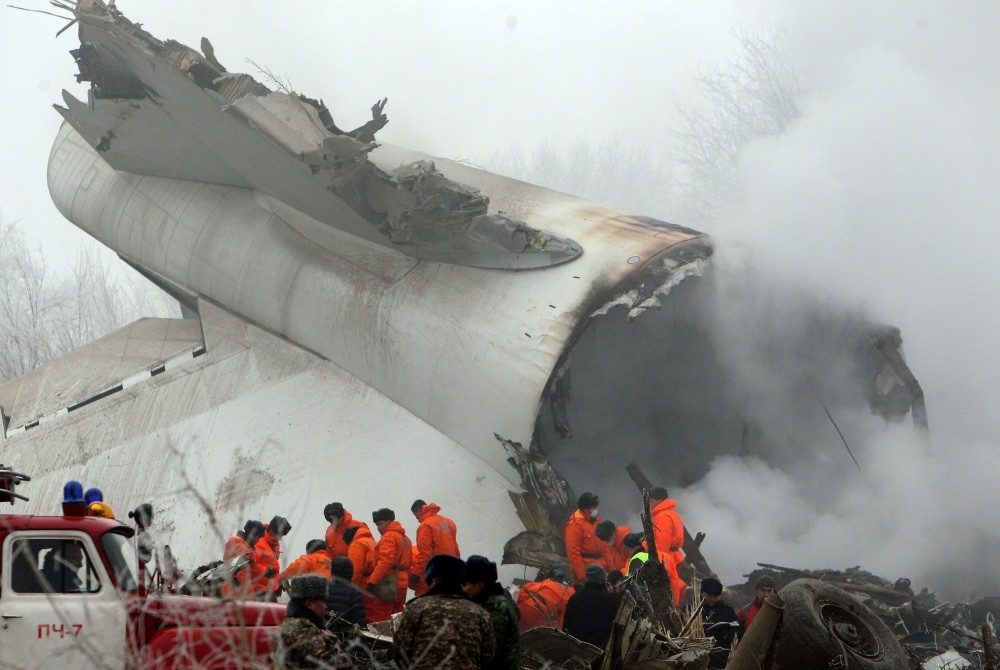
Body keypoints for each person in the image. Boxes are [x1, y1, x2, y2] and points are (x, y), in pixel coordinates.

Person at [393, 555, 495, 670]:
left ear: (433, 581)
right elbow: (489, 658)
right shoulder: (482, 614)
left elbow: (400, 652)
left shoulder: (416, 608)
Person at [275, 574, 347, 668]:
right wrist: (346, 654)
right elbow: (329, 664)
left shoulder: (290, 621)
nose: (325, 606)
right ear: (309, 603)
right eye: (322, 601)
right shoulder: (305, 629)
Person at [462, 555, 520, 670]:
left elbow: (491, 648)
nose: (463, 589)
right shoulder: (482, 601)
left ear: (479, 585)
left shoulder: (496, 606)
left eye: (465, 584)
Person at [366, 508, 412, 621]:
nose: (377, 528)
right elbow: (410, 562)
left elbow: (386, 561)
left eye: (379, 524)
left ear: (388, 521)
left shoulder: (389, 536)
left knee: (381, 618)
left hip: (387, 583)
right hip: (402, 584)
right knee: (397, 618)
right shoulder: (406, 539)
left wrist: (372, 582)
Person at [562, 563, 621, 649]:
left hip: (576, 649)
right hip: (600, 650)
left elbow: (566, 627)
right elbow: (618, 626)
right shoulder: (609, 600)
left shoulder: (575, 598)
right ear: (603, 580)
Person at [410, 499, 461, 596]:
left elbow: (425, 553)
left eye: (415, 514)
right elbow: (455, 548)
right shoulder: (449, 522)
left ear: (419, 510)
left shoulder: (425, 525)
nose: (416, 518)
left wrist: (416, 574)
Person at [621, 532, 687, 608]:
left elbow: (636, 587)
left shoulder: (635, 559)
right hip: (663, 600)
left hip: (649, 604)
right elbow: (673, 580)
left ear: (625, 548)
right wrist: (675, 605)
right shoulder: (649, 556)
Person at [563, 492, 611, 585]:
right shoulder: (575, 526)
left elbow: (605, 549)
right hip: (588, 572)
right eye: (593, 508)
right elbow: (573, 554)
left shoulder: (598, 521)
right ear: (585, 509)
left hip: (601, 570)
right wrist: (582, 577)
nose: (596, 510)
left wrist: (613, 571)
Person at [515, 566, 575, 632]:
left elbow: (525, 589)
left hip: (524, 608)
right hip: (540, 616)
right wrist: (558, 632)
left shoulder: (544, 582)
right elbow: (563, 619)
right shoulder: (570, 593)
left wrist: (519, 605)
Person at [700, 577, 741, 669]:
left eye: (716, 596)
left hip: (720, 658)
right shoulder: (692, 609)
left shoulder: (727, 610)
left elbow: (737, 628)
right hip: (697, 656)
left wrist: (727, 635)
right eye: (709, 596)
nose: (712, 599)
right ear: (702, 593)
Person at [343, 525, 378, 623]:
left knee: (368, 614)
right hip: (377, 582)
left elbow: (356, 571)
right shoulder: (372, 542)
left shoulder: (356, 544)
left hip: (364, 585)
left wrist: (352, 588)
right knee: (378, 613)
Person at [221, 520, 264, 598]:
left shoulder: (236, 541)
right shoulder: (243, 549)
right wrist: (252, 598)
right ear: (252, 535)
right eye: (258, 538)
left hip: (228, 587)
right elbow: (242, 575)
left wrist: (264, 571)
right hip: (234, 592)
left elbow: (252, 568)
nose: (258, 541)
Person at [647, 487, 685, 573]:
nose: (650, 505)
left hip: (667, 560)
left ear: (659, 500)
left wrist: (645, 544)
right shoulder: (673, 514)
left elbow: (662, 547)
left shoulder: (662, 517)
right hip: (674, 558)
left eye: (651, 502)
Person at [253, 515, 291, 601]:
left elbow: (273, 567)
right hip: (259, 591)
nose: (280, 538)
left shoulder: (275, 543)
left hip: (269, 589)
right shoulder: (258, 543)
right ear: (271, 531)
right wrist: (266, 572)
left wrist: (278, 580)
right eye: (279, 535)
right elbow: (251, 566)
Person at [326, 556, 367, 630]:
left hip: (326, 633)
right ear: (351, 572)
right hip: (346, 635)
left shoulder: (324, 588)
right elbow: (360, 621)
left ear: (332, 571)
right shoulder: (354, 592)